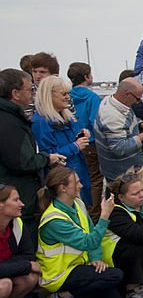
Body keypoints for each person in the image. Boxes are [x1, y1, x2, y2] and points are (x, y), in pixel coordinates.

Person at [36, 167, 123, 298]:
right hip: (59, 274)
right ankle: (62, 297)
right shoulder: (54, 220)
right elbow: (88, 242)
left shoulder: (77, 203)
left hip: (79, 266)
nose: (81, 185)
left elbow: (90, 231)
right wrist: (105, 215)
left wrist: (96, 258)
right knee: (115, 275)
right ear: (63, 188)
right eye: (76, 183)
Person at [0, 69, 64, 235]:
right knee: (24, 244)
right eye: (30, 89)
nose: (33, 93)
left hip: (13, 194)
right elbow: (23, 162)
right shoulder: (10, 124)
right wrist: (46, 158)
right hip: (19, 197)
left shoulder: (10, 118)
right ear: (15, 93)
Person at [32, 75, 91, 206]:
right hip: (61, 180)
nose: (68, 97)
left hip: (76, 173)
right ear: (49, 95)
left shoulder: (66, 116)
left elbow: (71, 141)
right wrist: (75, 146)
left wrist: (81, 135)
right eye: (64, 94)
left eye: (68, 94)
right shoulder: (40, 122)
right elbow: (46, 155)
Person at [94, 78, 143, 181]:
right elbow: (118, 148)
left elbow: (127, 119)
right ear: (127, 94)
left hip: (129, 170)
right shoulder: (111, 116)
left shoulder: (115, 102)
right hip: (120, 176)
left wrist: (141, 124)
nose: (138, 102)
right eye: (137, 99)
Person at [0, 185, 42, 298]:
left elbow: (27, 254)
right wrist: (26, 265)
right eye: (16, 200)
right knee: (4, 285)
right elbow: (27, 261)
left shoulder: (16, 223)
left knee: (29, 278)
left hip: (6, 270)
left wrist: (24, 265)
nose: (22, 204)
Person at [67, 62, 104, 217]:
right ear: (87, 77)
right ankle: (94, 212)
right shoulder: (92, 97)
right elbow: (96, 121)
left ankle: (80, 210)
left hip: (73, 142)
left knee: (78, 177)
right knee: (95, 179)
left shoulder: (67, 96)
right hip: (90, 142)